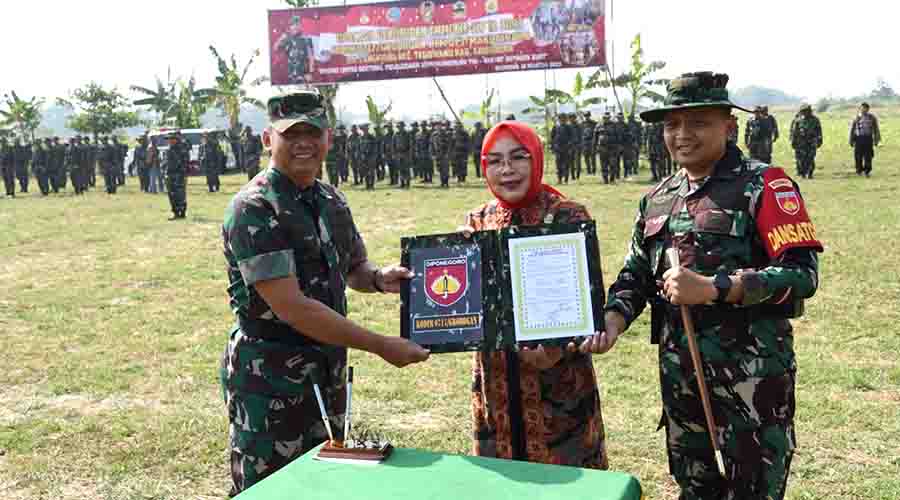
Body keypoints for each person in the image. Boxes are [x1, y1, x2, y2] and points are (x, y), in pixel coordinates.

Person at [601, 72, 823, 500]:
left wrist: (716, 287)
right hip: (682, 385)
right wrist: (614, 319)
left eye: (698, 123)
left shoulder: (765, 185)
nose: (682, 135)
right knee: (695, 490)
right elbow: (635, 275)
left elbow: (801, 275)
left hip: (750, 388)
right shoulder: (657, 198)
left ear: (728, 126)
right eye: (671, 125)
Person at [220, 90, 429, 496]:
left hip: (326, 369)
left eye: (312, 132)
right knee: (273, 486)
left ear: (328, 139)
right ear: (268, 140)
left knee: (323, 480)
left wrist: (377, 278)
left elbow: (353, 266)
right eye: (291, 133)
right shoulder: (255, 207)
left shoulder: (330, 199)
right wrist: (380, 344)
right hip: (271, 377)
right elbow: (293, 307)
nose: (304, 143)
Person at [456, 120, 609, 469]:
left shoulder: (567, 216)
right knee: (504, 481)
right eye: (494, 161)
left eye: (518, 157)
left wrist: (555, 350)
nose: (506, 170)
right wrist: (458, 258)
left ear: (537, 158)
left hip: (559, 387)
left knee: (569, 487)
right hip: (496, 384)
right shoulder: (477, 220)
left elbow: (585, 300)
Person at [789, 104, 823, 179]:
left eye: (807, 111)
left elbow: (819, 131)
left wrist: (820, 140)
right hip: (801, 143)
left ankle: (810, 173)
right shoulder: (798, 120)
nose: (805, 113)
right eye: (804, 111)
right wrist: (793, 141)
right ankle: (803, 173)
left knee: (810, 158)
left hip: (812, 142)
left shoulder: (815, 120)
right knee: (801, 159)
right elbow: (794, 132)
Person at [849, 102, 881, 177]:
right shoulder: (857, 118)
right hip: (858, 139)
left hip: (868, 139)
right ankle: (859, 170)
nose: (863, 110)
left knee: (868, 156)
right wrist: (851, 140)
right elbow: (852, 129)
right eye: (862, 108)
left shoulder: (872, 117)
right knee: (858, 156)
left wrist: (877, 140)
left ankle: (867, 171)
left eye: (865, 108)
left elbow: (876, 129)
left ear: (868, 109)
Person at [164, 133, 188, 218]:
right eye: (169, 139)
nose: (169, 141)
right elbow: (166, 163)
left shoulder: (181, 149)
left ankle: (181, 212)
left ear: (176, 139)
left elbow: (185, 162)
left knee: (180, 194)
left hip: (178, 175)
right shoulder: (169, 149)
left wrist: (183, 174)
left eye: (171, 139)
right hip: (170, 174)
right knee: (172, 194)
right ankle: (176, 212)